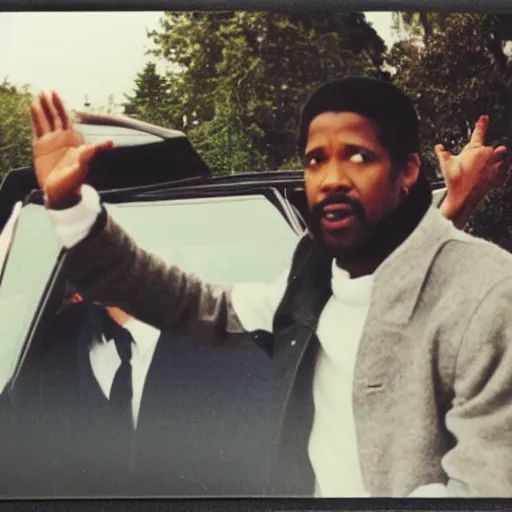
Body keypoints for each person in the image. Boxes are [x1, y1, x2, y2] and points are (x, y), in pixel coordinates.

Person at [29, 78, 512, 498]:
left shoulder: (488, 292)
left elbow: (488, 485)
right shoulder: (310, 282)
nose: (332, 180)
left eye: (358, 157)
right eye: (316, 160)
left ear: (407, 170)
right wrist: (70, 205)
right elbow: (188, 303)